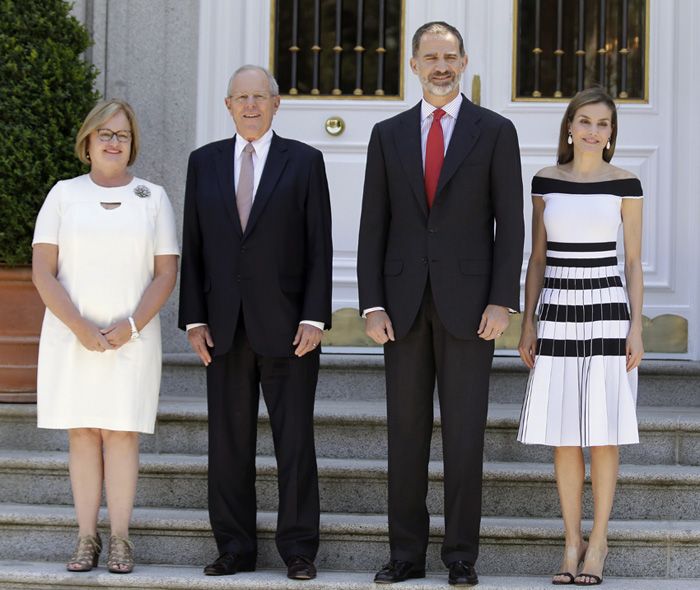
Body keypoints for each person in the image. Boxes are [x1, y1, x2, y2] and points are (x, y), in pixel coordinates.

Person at [357, 21, 524, 586]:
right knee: (405, 433)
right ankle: (405, 553)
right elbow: (372, 227)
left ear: (465, 60)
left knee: (464, 435)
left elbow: (512, 225)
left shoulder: (496, 131)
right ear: (413, 64)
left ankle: (460, 557)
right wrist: (371, 303)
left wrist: (504, 300)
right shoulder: (387, 134)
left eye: (450, 56)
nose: (441, 65)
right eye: (430, 56)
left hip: (471, 306)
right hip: (401, 306)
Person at [178, 64, 332, 581]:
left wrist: (315, 316)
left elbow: (319, 247)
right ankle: (234, 547)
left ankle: (299, 549)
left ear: (275, 103)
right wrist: (193, 319)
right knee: (228, 443)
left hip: (290, 326)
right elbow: (194, 246)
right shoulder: (203, 163)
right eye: (240, 98)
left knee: (295, 441)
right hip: (222, 325)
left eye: (258, 97)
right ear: (227, 106)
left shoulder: (305, 161)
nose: (249, 106)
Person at [31, 99, 180, 574]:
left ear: (131, 143)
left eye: (122, 134)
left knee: (121, 433)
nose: (114, 142)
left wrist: (131, 325)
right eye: (105, 134)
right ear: (87, 142)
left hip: (131, 339)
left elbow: (165, 273)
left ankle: (119, 539)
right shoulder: (62, 195)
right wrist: (79, 327)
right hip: (71, 337)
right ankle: (85, 538)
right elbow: (42, 271)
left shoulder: (153, 198)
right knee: (82, 433)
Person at [517, 87, 644, 586]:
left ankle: (599, 542)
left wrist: (637, 325)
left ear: (612, 134)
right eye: (585, 121)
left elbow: (632, 261)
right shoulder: (546, 180)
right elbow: (538, 257)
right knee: (565, 433)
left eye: (603, 124)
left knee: (603, 430)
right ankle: (571, 542)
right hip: (557, 310)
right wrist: (528, 320)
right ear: (570, 126)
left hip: (608, 310)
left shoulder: (626, 183)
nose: (593, 131)